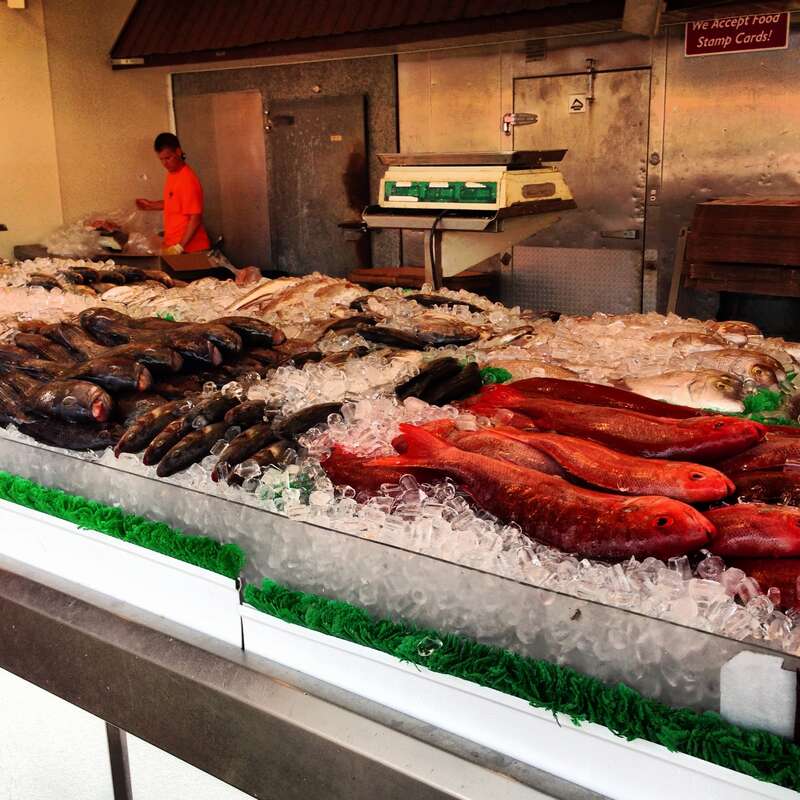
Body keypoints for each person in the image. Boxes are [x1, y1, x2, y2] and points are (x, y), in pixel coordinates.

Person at [136, 132, 210, 255]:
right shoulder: (173, 174)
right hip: (175, 246)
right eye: (161, 159)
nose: (165, 163)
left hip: (191, 249)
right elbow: (175, 202)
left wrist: (180, 247)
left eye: (168, 158)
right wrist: (150, 205)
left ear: (178, 152)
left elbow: (195, 218)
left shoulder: (187, 179)